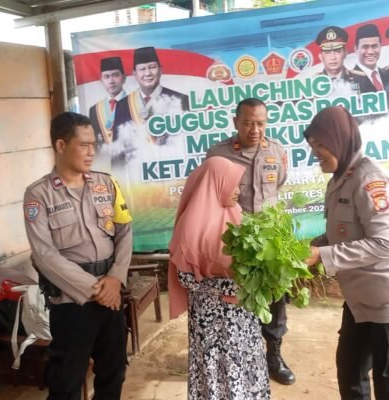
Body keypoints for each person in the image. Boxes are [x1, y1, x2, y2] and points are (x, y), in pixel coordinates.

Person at [303, 106, 389, 400]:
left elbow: (388, 242)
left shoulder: (370, 181)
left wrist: (322, 256)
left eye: (320, 145)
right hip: (361, 304)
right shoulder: (339, 180)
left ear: (339, 140)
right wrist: (313, 247)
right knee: (350, 375)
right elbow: (344, 234)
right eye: (312, 145)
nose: (315, 152)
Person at [23, 111, 133, 400]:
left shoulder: (106, 183)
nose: (91, 151)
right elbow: (44, 254)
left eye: (93, 144)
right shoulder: (39, 195)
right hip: (73, 301)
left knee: (114, 371)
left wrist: (115, 278)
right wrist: (95, 289)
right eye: (84, 145)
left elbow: (124, 231)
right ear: (61, 145)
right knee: (67, 379)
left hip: (111, 291)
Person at [205, 98, 294, 385]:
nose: (255, 130)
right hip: (236, 244)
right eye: (247, 123)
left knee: (275, 300)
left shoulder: (277, 151)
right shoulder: (218, 154)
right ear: (235, 122)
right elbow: (210, 196)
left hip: (269, 241)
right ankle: (240, 357)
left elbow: (278, 185)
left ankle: (274, 356)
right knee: (237, 301)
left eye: (260, 123)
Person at [168, 156, 270, 400]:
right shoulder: (191, 226)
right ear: (216, 184)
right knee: (219, 374)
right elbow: (187, 279)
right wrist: (233, 285)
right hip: (213, 322)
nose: (238, 191)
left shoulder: (235, 214)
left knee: (245, 367)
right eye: (233, 185)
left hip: (243, 317)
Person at [113, 46, 189, 138]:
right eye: (142, 69)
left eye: (152, 67)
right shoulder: (121, 106)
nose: (148, 73)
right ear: (134, 74)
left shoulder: (181, 99)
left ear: (160, 70)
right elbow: (118, 143)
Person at [351, 24, 389, 112]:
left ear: (380, 46)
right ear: (355, 48)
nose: (370, 52)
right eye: (365, 47)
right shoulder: (348, 80)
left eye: (374, 46)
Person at [89, 56, 128, 149]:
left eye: (115, 75)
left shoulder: (135, 104)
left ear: (124, 78)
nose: (111, 81)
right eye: (106, 77)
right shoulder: (94, 110)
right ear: (102, 80)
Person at [315, 26, 361, 93]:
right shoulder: (312, 83)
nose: (333, 57)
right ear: (321, 57)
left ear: (345, 54)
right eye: (327, 53)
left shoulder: (360, 79)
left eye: (337, 51)